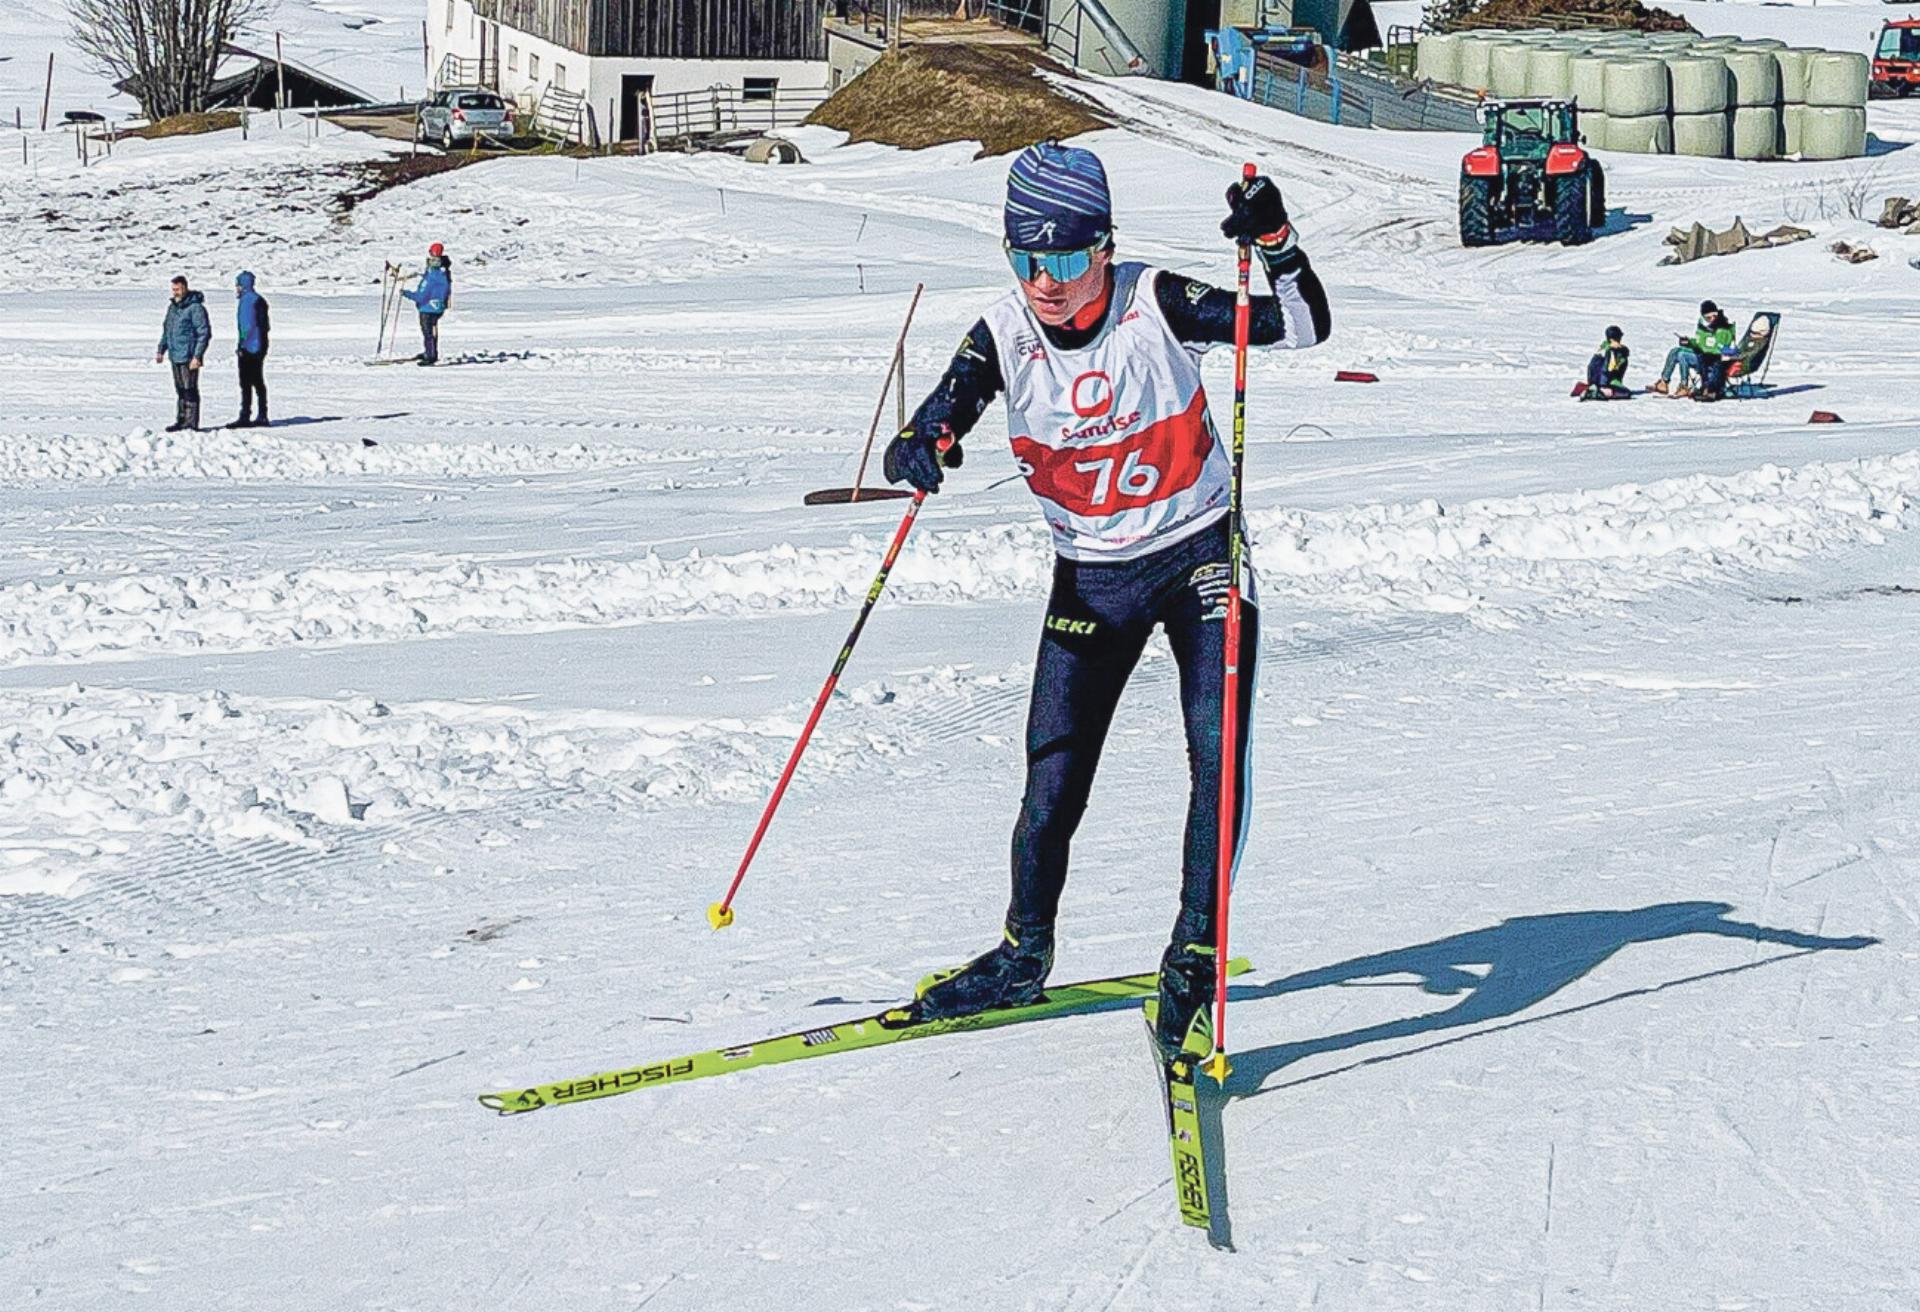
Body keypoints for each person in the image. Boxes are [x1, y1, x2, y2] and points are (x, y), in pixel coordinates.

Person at [880, 142, 1332, 1054]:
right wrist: (918, 445)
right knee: (1051, 775)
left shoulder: (1156, 302)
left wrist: (1278, 241)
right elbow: (938, 413)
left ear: (1104, 245)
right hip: (1089, 575)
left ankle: (1193, 959)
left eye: (1065, 255)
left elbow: (1305, 328)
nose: (1044, 280)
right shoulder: (1002, 334)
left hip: (1198, 560)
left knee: (1216, 756)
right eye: (1024, 255)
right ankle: (1023, 952)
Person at [154, 275, 211, 432]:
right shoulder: (173, 307)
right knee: (180, 389)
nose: (175, 292)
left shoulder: (195, 308)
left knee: (189, 389)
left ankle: (191, 423)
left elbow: (203, 333)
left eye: (178, 289)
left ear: (185, 287)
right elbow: (167, 330)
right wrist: (161, 349)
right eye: (173, 290)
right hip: (175, 355)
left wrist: (197, 356)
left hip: (189, 356)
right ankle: (181, 420)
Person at [1651, 300, 1732, 398]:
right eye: (1708, 317)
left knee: (1682, 355)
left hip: (1710, 360)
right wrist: (1689, 342)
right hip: (1701, 353)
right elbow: (1701, 343)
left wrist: (1697, 346)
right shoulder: (1703, 326)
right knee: (1675, 351)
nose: (1712, 319)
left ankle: (1684, 386)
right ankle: (1663, 382)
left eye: (1714, 316)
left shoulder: (1722, 328)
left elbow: (1716, 348)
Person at [230, 271, 271, 428]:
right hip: (260, 344)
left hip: (251, 347)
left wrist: (242, 345)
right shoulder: (258, 300)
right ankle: (261, 414)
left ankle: (246, 415)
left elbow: (247, 326)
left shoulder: (248, 301)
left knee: (247, 382)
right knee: (257, 381)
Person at [401, 242, 453, 365]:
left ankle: (430, 355)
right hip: (439, 307)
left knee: (428, 332)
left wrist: (406, 293)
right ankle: (430, 352)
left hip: (428, 308)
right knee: (432, 331)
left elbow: (422, 296)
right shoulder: (444, 273)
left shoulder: (431, 277)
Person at [1580, 325, 1630, 400]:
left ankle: (1594, 388)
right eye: (1619, 337)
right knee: (1626, 393)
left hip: (1593, 380)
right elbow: (1607, 369)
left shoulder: (1603, 347)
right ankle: (1597, 393)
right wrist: (1604, 384)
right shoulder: (1612, 352)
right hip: (1604, 382)